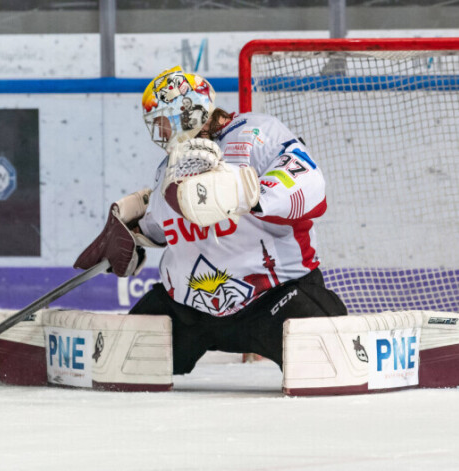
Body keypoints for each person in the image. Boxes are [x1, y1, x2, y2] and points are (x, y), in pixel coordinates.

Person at [75, 65, 347, 375]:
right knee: (115, 364)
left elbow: (309, 182)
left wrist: (248, 194)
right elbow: (162, 227)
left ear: (188, 112)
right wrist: (131, 234)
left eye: (163, 122)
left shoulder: (255, 134)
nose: (161, 133)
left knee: (333, 359)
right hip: (188, 313)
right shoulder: (169, 168)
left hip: (275, 299)